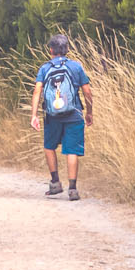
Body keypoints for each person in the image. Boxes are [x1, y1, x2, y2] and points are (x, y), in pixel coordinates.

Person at [30, 33, 92, 200]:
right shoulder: (76, 67)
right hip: (74, 114)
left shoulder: (45, 68)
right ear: (67, 49)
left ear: (50, 50)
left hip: (52, 116)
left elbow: (37, 91)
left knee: (49, 147)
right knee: (72, 151)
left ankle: (55, 183)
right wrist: (89, 112)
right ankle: (72, 189)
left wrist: (34, 115)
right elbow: (87, 91)